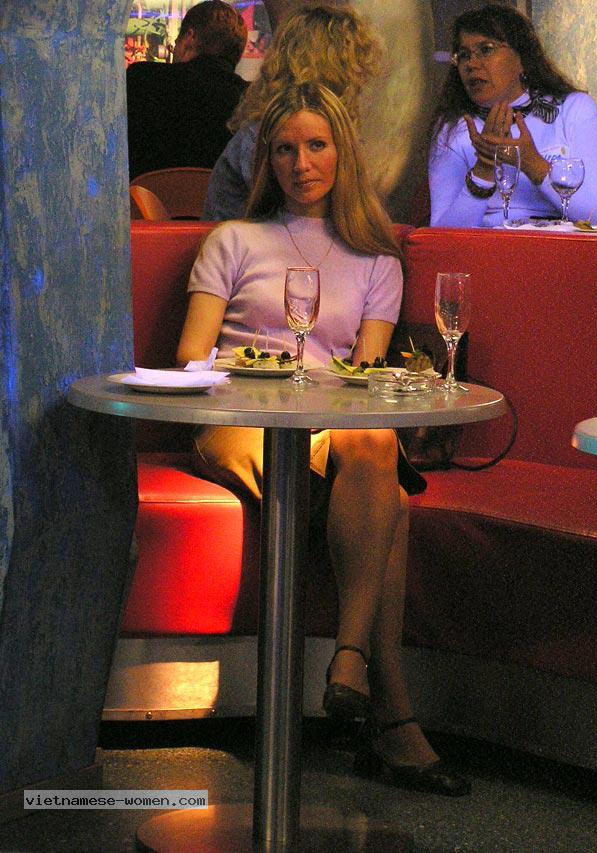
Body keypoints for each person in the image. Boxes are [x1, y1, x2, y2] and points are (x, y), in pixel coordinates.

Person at [178, 82, 470, 797]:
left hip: (332, 428)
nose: (300, 163)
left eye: (316, 145)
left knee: (371, 446)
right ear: (267, 161)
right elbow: (190, 358)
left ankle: (348, 660)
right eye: (284, 149)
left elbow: (363, 375)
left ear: (343, 154)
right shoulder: (232, 240)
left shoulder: (377, 261)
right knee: (387, 502)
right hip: (237, 418)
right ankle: (382, 701)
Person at [428, 4, 597, 227]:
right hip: (489, 247)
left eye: (486, 50)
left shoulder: (573, 109)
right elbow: (442, 237)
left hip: (563, 245)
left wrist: (531, 163)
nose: (471, 64)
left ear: (522, 58)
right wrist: (483, 171)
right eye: (463, 55)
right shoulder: (453, 127)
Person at [200, 1, 383, 221]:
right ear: (338, 69)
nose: (359, 79)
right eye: (354, 65)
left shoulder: (272, 129)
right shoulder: (265, 135)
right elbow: (297, 225)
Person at [126, 0, 248, 180]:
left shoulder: (140, 79)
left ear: (190, 37)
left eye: (176, 42)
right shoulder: (251, 101)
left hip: (147, 197)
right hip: (220, 198)